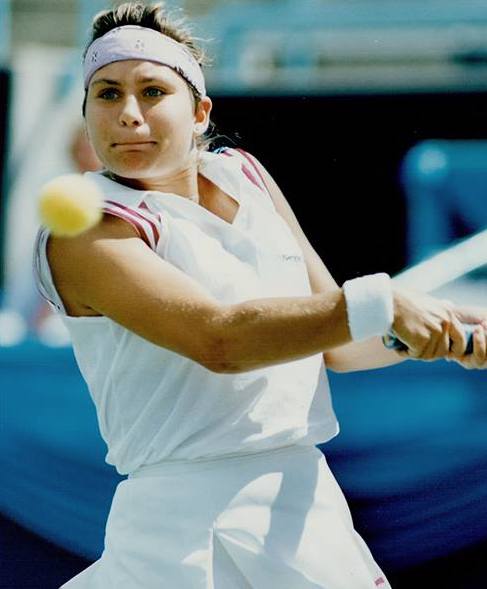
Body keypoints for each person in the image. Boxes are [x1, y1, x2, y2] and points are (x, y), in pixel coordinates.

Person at [33, 2, 487, 588]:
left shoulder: (244, 173)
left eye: (152, 92)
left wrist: (438, 333)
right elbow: (220, 340)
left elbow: (338, 345)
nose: (128, 114)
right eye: (107, 94)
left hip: (307, 514)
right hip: (181, 538)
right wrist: (386, 303)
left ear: (200, 112)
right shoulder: (87, 232)